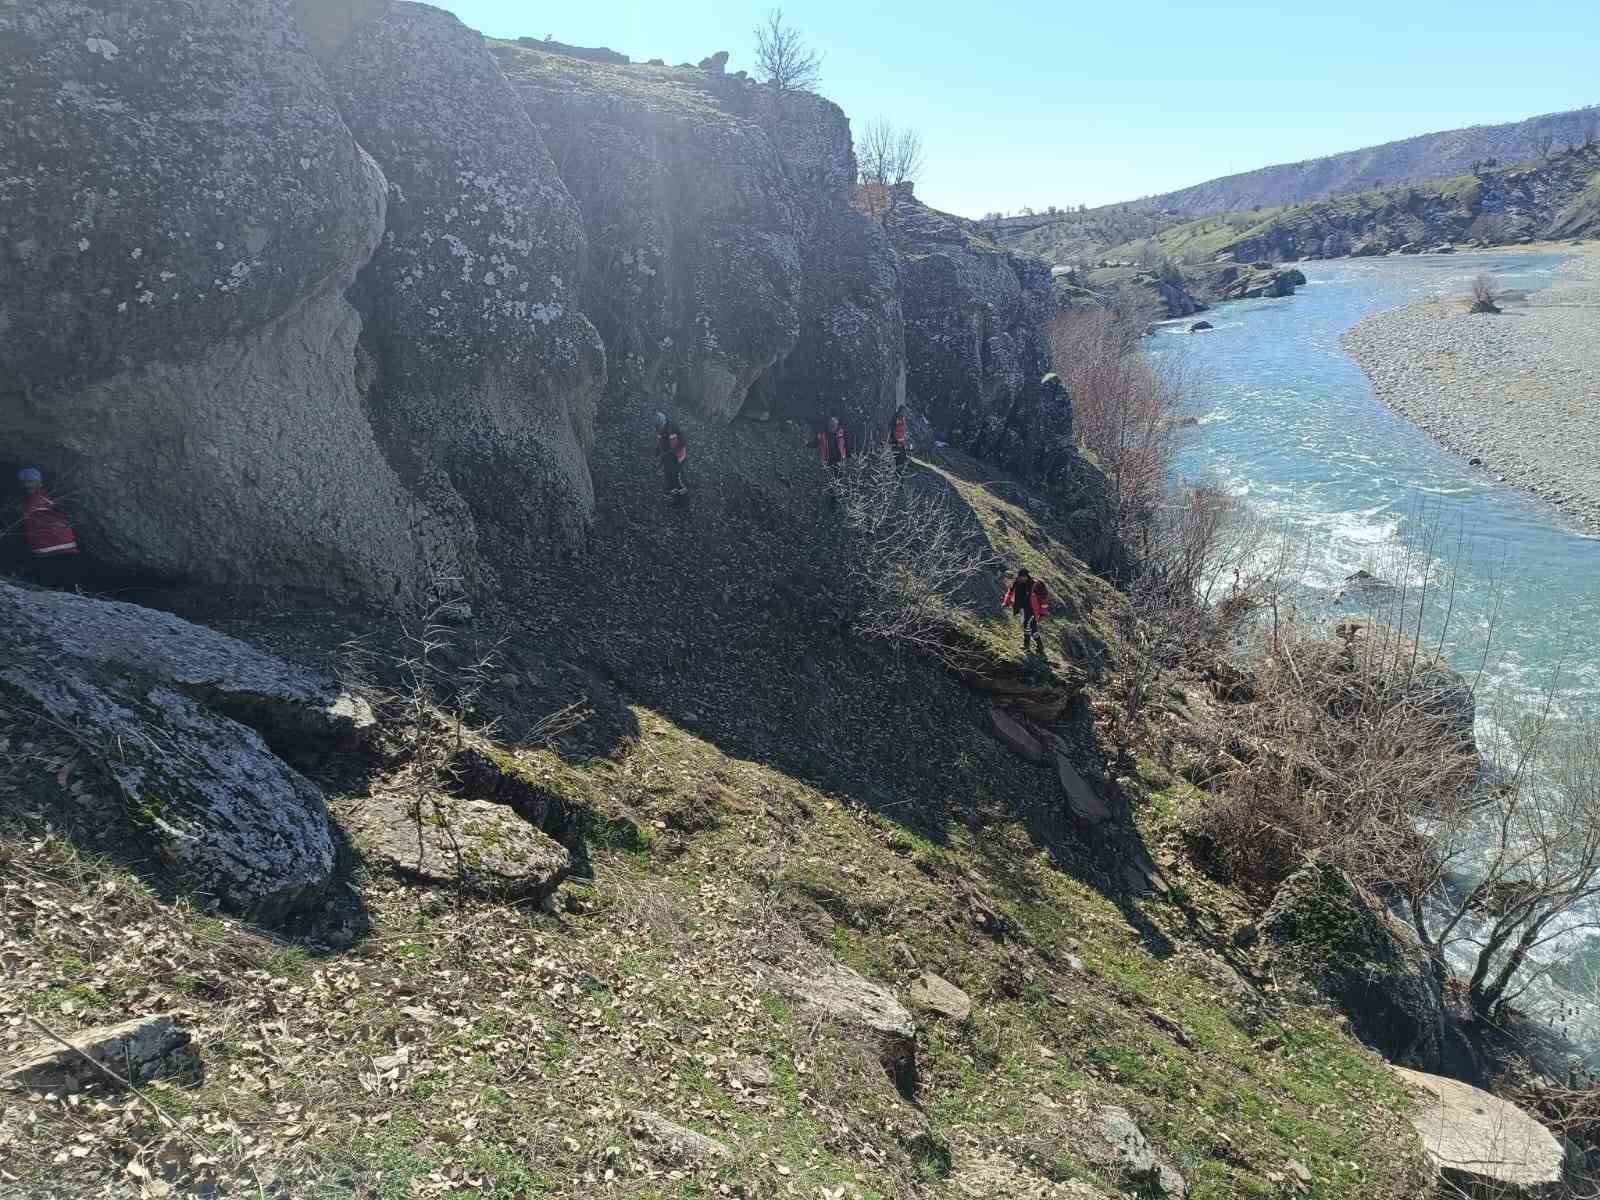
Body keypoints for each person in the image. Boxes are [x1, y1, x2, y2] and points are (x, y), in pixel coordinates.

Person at [15, 467, 81, 589]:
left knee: (66, 588)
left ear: (40, 482)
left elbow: (70, 510)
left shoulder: (49, 498)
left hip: (61, 550)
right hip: (42, 552)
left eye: (30, 481)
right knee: (50, 588)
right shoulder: (24, 502)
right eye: (23, 482)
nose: (26, 485)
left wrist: (63, 522)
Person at [654, 412, 687, 499]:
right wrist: (657, 453)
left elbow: (683, 442)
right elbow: (660, 442)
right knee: (668, 473)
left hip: (677, 455)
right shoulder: (660, 431)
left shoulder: (672, 430)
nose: (659, 429)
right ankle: (671, 490)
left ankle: (682, 492)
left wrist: (673, 451)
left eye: (660, 426)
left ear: (664, 423)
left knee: (675, 473)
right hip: (668, 455)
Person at [1000, 567, 1034, 652]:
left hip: (1031, 607)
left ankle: (1028, 646)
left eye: (1021, 577)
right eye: (1018, 577)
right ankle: (1031, 646)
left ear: (1025, 577)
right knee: (1029, 626)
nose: (1019, 579)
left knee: (1027, 625)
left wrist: (1040, 612)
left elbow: (1038, 599)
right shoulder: (1017, 581)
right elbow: (1010, 592)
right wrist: (1006, 602)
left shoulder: (1032, 584)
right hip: (1022, 605)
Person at [887, 404, 910, 474]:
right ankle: (895, 474)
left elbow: (903, 429)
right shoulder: (896, 418)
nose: (904, 413)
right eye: (903, 411)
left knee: (903, 458)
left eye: (905, 411)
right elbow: (892, 428)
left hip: (900, 441)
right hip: (895, 441)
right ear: (900, 410)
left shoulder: (902, 418)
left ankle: (899, 474)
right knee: (897, 458)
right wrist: (895, 440)